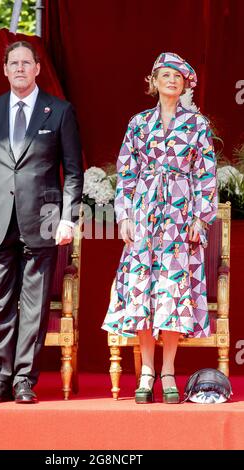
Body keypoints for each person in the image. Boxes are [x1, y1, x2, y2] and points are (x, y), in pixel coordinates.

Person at [0, 41, 83, 404]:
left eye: (25, 62)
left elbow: (74, 172)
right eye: (13, 63)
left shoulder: (59, 111)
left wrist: (67, 219)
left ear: (36, 69)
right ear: (5, 69)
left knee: (33, 305)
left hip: (43, 221)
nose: (19, 68)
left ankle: (23, 382)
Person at [102, 52, 217, 404]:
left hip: (180, 221)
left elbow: (206, 175)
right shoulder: (138, 124)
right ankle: (146, 370)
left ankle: (168, 370)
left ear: (185, 85)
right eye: (165, 75)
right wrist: (123, 215)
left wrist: (201, 217)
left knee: (171, 292)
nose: (171, 80)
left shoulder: (197, 125)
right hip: (143, 215)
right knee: (142, 291)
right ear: (153, 82)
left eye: (178, 76)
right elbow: (126, 174)